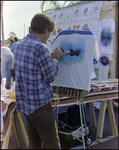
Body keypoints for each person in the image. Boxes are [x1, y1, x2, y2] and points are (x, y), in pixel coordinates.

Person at [14, 13, 63, 149]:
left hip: (26, 105)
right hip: (40, 106)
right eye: (49, 33)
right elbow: (50, 76)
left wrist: (50, 58)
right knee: (52, 144)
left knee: (34, 144)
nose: (48, 37)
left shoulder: (19, 46)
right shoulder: (40, 47)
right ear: (45, 30)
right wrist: (56, 58)